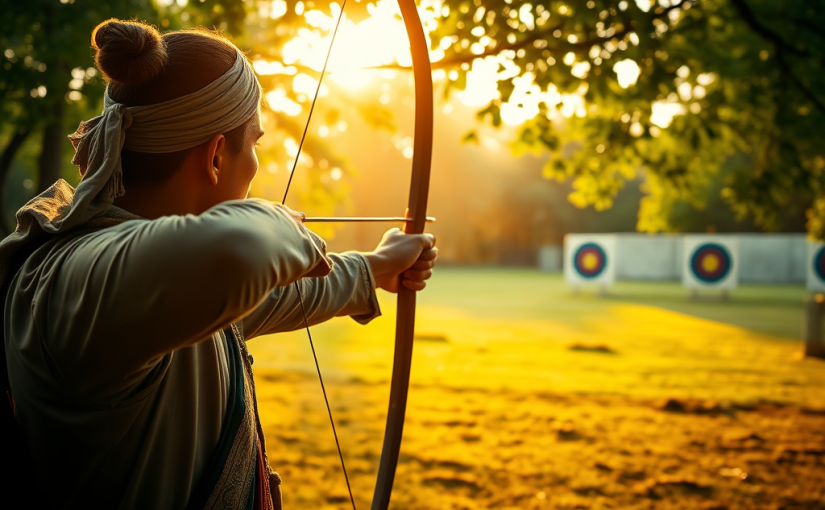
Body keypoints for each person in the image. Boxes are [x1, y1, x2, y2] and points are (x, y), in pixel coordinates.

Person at [0, 19, 437, 510]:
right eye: (253, 143)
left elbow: (280, 292)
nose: (255, 163)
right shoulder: (77, 279)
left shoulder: (167, 294)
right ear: (213, 157)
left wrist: (379, 266)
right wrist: (279, 221)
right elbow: (238, 251)